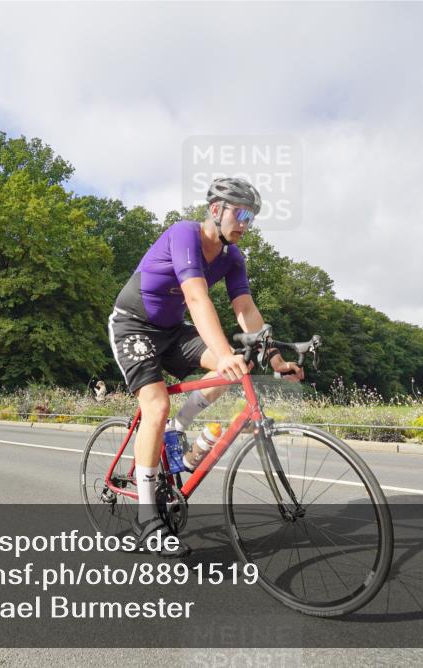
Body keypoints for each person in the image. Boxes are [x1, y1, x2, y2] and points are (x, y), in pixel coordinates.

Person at [108, 176, 304, 558]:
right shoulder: (184, 234)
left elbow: (245, 310)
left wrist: (276, 360)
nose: (246, 223)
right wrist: (223, 351)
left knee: (239, 369)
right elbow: (196, 298)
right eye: (241, 213)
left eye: (252, 216)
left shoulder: (233, 258)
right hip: (133, 325)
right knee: (156, 404)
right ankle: (148, 519)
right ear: (216, 210)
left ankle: (177, 429)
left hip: (171, 331)